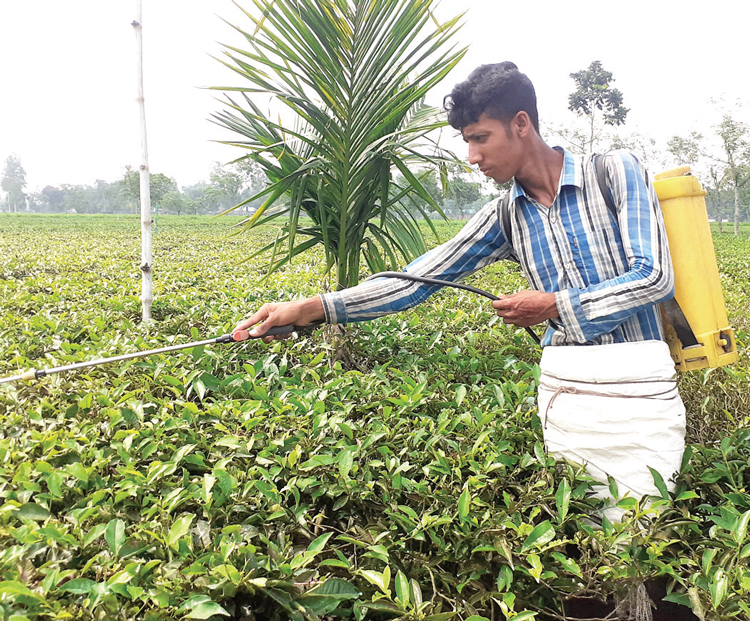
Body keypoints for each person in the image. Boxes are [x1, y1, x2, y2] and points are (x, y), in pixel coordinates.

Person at [233, 61, 686, 519]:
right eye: (467, 141)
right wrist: (311, 309)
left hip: (639, 381)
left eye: (480, 138)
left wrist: (553, 304)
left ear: (521, 124)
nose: (472, 156)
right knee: (581, 530)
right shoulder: (503, 216)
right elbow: (414, 282)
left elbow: (653, 276)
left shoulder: (613, 172)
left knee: (644, 527)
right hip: (565, 389)